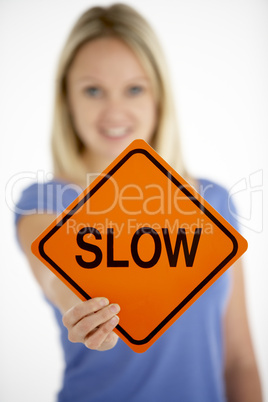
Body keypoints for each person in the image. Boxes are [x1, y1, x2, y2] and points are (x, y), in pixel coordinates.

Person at [15, 3, 262, 402]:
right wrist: (77, 304)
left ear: (158, 96)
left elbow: (239, 361)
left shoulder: (211, 201)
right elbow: (53, 273)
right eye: (92, 90)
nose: (114, 111)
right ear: (67, 100)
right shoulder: (47, 200)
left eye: (134, 88)